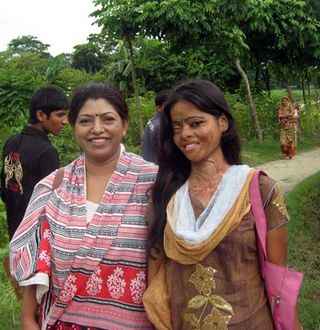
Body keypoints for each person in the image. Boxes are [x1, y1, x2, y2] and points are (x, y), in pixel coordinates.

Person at [143, 79, 301, 329]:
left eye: (196, 123)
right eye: (177, 127)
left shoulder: (258, 190)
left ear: (223, 123)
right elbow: (155, 278)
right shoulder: (166, 196)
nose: (185, 134)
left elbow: (278, 281)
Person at [10, 83, 158, 330]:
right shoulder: (54, 187)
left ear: (125, 124)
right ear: (74, 127)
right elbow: (38, 267)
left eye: (108, 119)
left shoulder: (154, 183)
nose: (97, 129)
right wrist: (28, 320)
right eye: (86, 120)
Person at [0, 86, 69, 299]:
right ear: (41, 115)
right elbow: (55, 201)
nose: (65, 121)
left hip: (15, 231)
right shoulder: (46, 152)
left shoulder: (11, 142)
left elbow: (4, 187)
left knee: (26, 294)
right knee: (41, 296)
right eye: (60, 115)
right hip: (38, 238)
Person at [142, 89, 169, 163]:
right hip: (154, 166)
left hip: (146, 161)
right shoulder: (160, 125)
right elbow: (162, 152)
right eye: (168, 105)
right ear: (159, 108)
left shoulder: (153, 120)